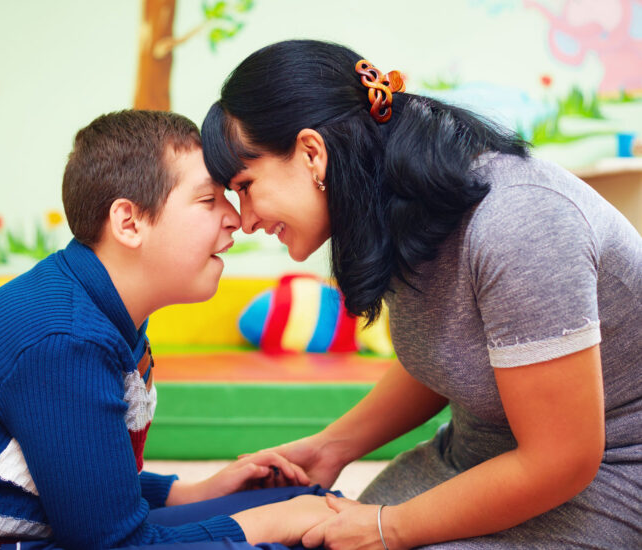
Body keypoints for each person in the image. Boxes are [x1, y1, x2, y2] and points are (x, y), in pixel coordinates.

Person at [201, 39, 642, 549]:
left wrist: (389, 528)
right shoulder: (395, 200)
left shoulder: (519, 221)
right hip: (482, 455)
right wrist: (332, 446)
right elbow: (451, 350)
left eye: (246, 184)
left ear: (311, 153)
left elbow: (563, 460)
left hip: (609, 475)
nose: (244, 218)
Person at [0, 110, 339, 550]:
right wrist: (276, 523)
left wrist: (196, 492)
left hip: (35, 529)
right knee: (288, 530)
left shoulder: (103, 310)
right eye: (208, 199)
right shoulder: (65, 339)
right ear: (129, 222)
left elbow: (87, 484)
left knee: (303, 507)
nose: (235, 218)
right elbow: (114, 544)